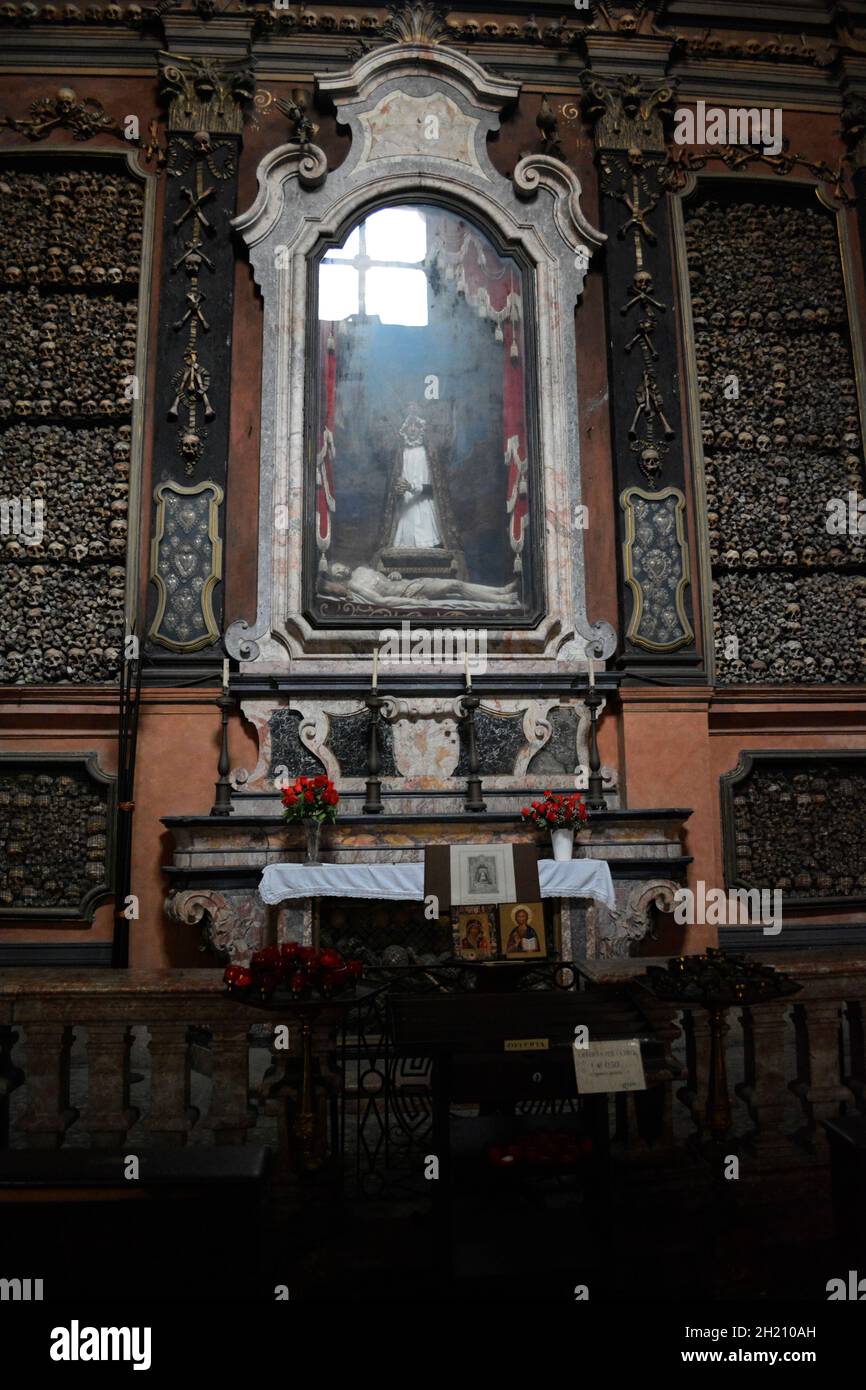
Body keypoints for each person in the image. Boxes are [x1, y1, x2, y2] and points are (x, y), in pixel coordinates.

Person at [327, 561, 519, 610]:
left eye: (340, 566)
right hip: (409, 593)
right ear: (337, 579)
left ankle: (500, 591)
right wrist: (411, 604)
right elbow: (382, 600)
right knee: (455, 586)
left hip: (409, 583)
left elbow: (386, 580)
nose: (342, 570)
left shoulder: (362, 569)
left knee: (457, 586)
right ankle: (502, 598)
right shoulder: (354, 586)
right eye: (337, 572)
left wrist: (393, 575)